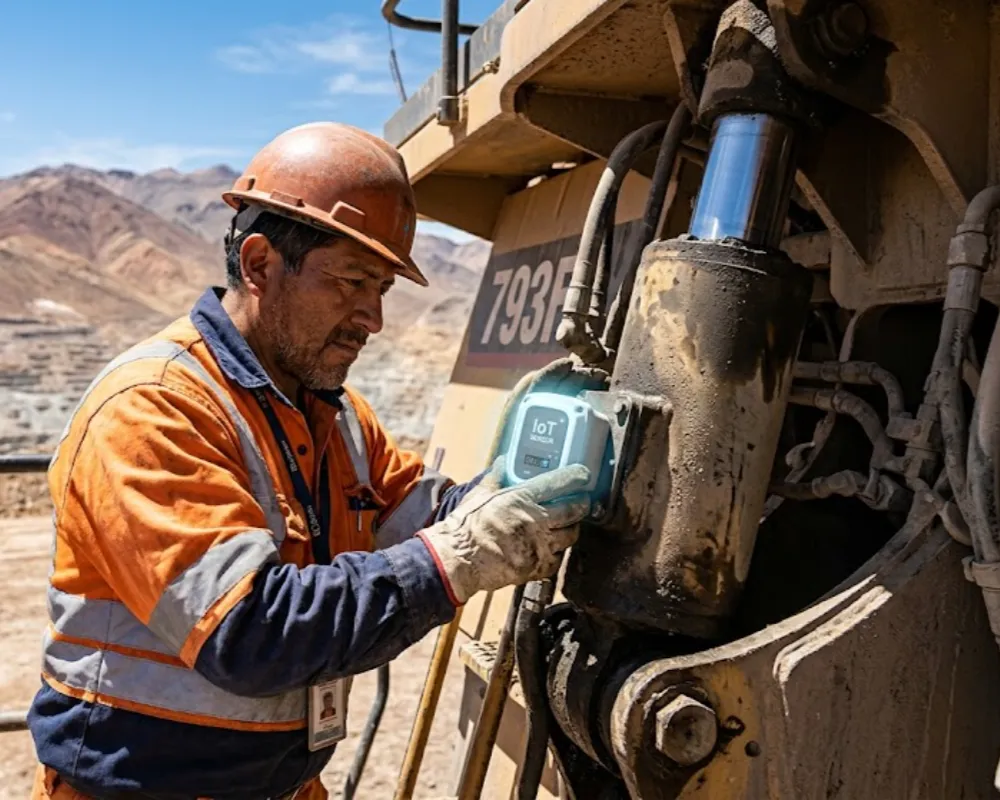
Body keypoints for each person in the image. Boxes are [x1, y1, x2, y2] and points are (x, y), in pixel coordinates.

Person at [27, 122, 591, 800]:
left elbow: (429, 516)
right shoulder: (154, 407)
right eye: (351, 281)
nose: (372, 317)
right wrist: (455, 559)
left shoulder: (335, 414)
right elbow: (247, 633)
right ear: (260, 264)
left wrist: (522, 487)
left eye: (381, 288)